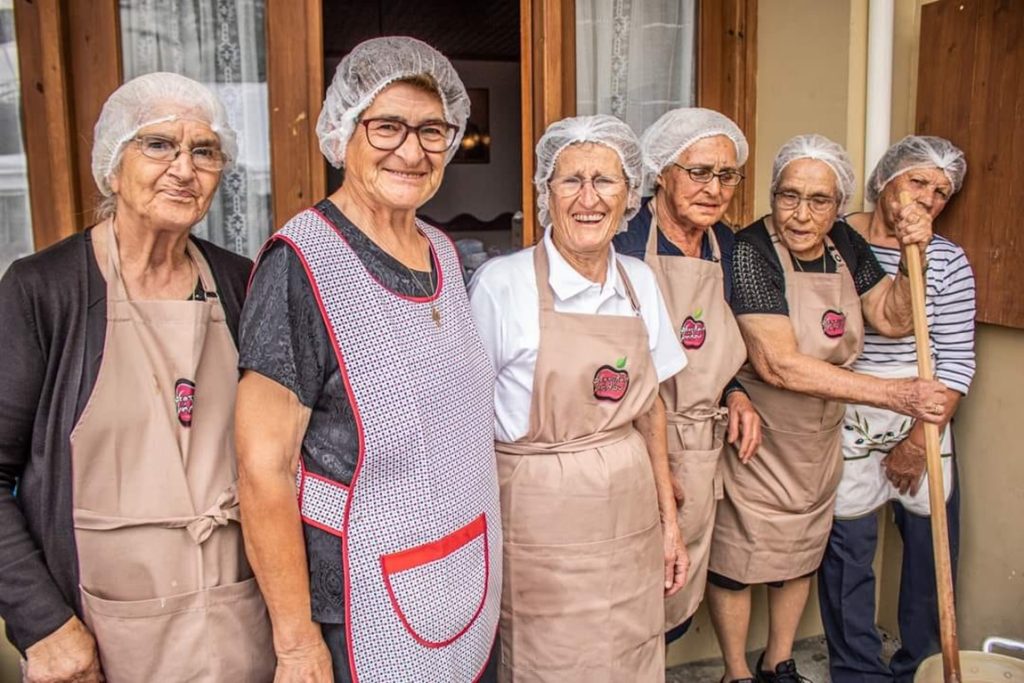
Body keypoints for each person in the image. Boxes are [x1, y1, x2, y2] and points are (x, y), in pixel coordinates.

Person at [236, 36, 501, 683]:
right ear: (342, 131)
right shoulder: (302, 264)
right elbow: (261, 466)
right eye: (387, 126)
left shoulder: (445, 251)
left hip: (467, 569)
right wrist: (297, 645)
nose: (411, 150)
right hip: (358, 600)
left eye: (431, 130)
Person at [0, 72, 272, 682]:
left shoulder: (238, 281)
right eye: (158, 145)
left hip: (234, 621)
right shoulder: (42, 290)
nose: (184, 168)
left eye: (204, 151)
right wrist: (42, 624)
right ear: (112, 166)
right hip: (98, 637)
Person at [706, 134, 951, 683]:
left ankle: (778, 662)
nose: (801, 214)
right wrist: (896, 394)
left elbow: (892, 317)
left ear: (839, 205)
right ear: (772, 195)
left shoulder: (844, 243)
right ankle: (734, 673)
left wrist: (916, 264)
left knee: (800, 552)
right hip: (761, 433)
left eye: (819, 201)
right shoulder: (751, 249)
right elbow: (779, 365)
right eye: (788, 196)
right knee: (739, 559)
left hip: (821, 436)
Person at [469, 114, 689, 682]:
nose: (588, 198)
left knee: (632, 653)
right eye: (571, 181)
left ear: (630, 196)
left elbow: (650, 409)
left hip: (630, 513)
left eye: (605, 181)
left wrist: (669, 524)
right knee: (550, 663)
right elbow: (464, 421)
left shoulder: (640, 281)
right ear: (546, 194)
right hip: (540, 526)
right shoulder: (502, 284)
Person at [819, 136, 974, 683]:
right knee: (848, 555)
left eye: (941, 190)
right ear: (887, 179)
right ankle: (857, 671)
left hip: (925, 415)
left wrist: (915, 439)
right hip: (850, 409)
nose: (929, 197)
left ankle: (923, 668)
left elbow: (955, 361)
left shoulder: (949, 260)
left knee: (931, 558)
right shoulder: (832, 240)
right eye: (917, 182)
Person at [613, 108, 762, 643]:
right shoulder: (624, 241)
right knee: (630, 591)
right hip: (633, 440)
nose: (714, 188)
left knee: (678, 590)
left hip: (702, 446)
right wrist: (653, 465)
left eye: (726, 175)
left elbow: (725, 345)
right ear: (662, 171)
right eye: (698, 171)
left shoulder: (730, 246)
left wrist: (737, 392)